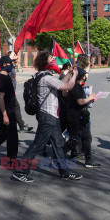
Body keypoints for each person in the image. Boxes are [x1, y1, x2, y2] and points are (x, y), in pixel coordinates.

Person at [12, 50, 83, 183]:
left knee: (58, 144)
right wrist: (74, 76)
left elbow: (60, 83)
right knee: (37, 144)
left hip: (51, 116)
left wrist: (69, 73)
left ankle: (65, 172)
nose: (54, 60)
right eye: (51, 58)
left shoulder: (42, 75)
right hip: (47, 116)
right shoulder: (46, 78)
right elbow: (67, 86)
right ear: (45, 61)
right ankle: (20, 171)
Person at [0, 51, 33, 132]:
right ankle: (21, 125)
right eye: (14, 55)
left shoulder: (10, 67)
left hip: (10, 92)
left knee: (0, 107)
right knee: (8, 106)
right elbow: (1, 95)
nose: (16, 56)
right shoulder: (3, 74)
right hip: (8, 93)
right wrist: (5, 116)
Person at [63, 67, 101, 168]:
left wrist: (89, 100)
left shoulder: (73, 86)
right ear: (82, 76)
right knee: (76, 138)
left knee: (86, 138)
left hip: (78, 115)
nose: (86, 77)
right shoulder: (76, 86)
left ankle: (89, 160)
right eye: (85, 75)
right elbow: (80, 102)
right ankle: (59, 154)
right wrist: (90, 98)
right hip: (77, 117)